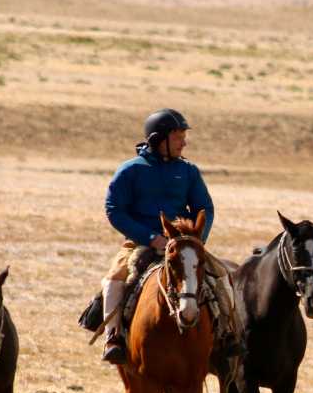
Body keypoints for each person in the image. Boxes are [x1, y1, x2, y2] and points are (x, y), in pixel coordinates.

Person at [100, 108, 236, 365]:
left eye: (184, 137)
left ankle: (228, 334)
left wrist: (196, 240)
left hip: (184, 244)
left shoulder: (188, 171)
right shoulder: (130, 171)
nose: (184, 143)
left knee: (221, 275)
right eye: (178, 137)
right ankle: (113, 337)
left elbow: (205, 208)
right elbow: (114, 209)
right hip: (139, 243)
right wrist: (151, 237)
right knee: (114, 279)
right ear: (158, 139)